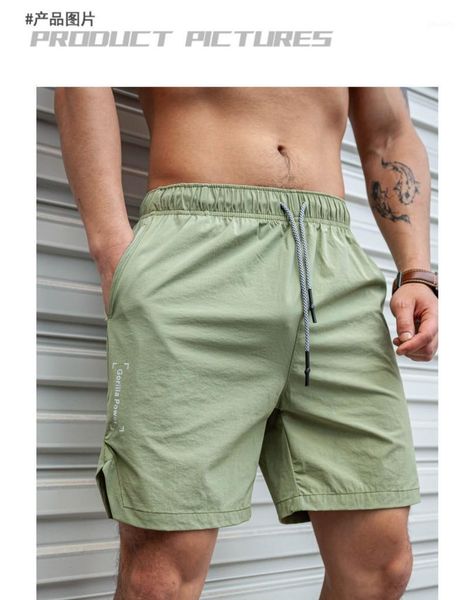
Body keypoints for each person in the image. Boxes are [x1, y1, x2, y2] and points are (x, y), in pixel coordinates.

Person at [54, 87, 438, 600]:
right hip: (193, 246)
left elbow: (389, 132)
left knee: (380, 565)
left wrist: (417, 272)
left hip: (332, 263)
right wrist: (111, 250)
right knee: (160, 576)